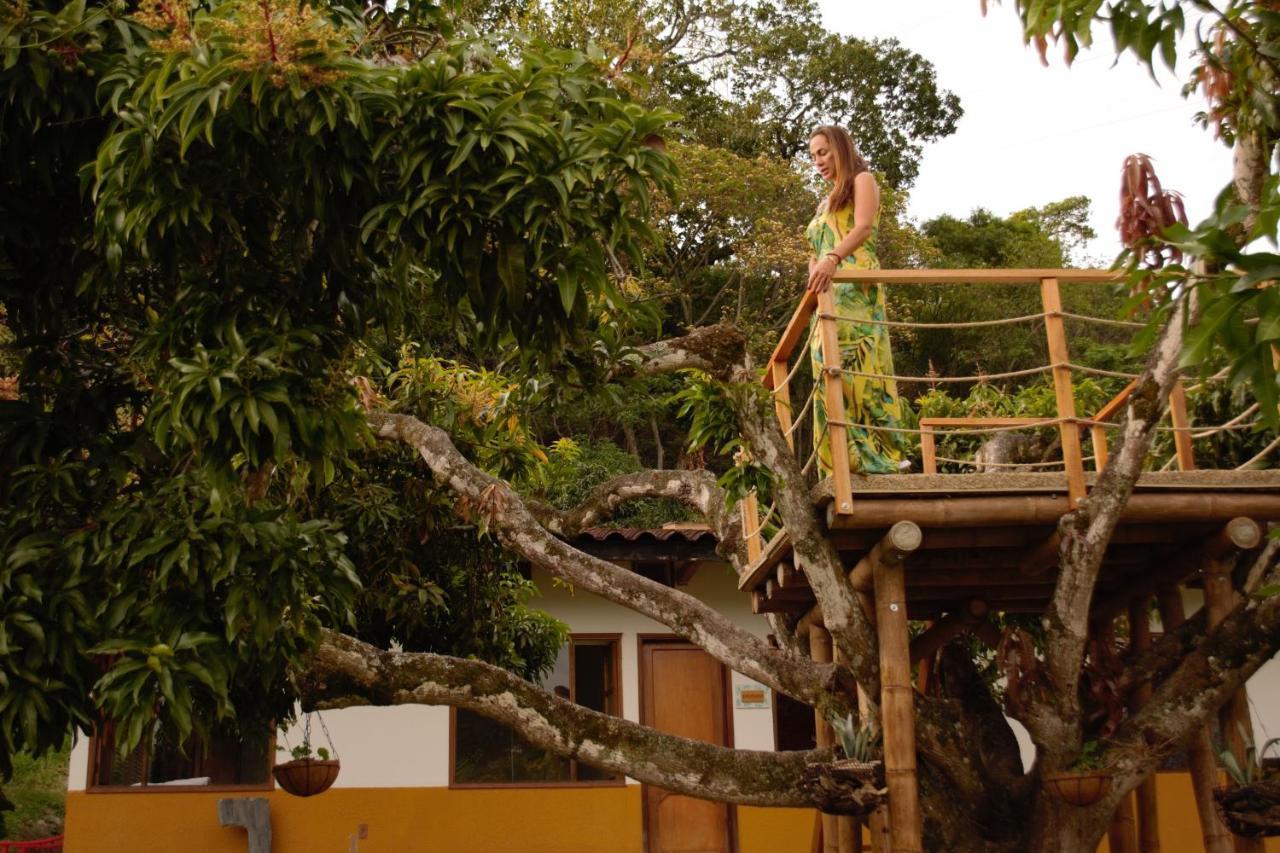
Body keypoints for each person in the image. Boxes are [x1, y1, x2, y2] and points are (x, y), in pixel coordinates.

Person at [806, 125, 910, 476]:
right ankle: (841, 462)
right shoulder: (825, 200)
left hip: (855, 282)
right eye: (812, 156)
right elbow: (818, 245)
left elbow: (863, 227)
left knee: (858, 368)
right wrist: (816, 264)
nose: (817, 161)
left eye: (822, 152)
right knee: (825, 365)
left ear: (839, 148)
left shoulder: (861, 180)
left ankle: (880, 456)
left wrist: (831, 258)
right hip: (828, 292)